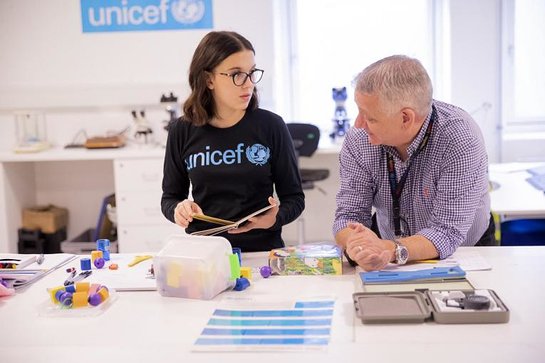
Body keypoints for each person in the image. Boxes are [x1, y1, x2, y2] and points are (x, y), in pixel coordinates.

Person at [333, 55, 494, 271]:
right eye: (359, 111)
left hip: (464, 250)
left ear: (406, 118)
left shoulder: (460, 138)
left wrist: (387, 250)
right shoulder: (360, 139)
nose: (358, 124)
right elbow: (349, 216)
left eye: (370, 117)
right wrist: (356, 245)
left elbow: (446, 232)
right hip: (389, 249)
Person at [161, 31, 305, 252]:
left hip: (262, 252)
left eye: (252, 73)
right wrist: (178, 209)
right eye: (237, 74)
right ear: (209, 79)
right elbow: (170, 198)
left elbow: (294, 198)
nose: (249, 84)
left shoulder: (271, 126)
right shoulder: (182, 130)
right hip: (204, 253)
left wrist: (275, 219)